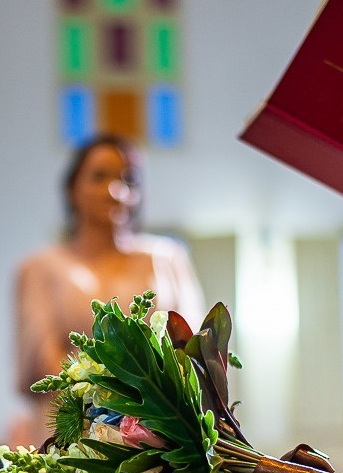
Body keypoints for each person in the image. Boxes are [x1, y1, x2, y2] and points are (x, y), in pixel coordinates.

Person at [14, 134, 205, 445]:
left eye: (128, 179)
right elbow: (43, 357)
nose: (116, 191)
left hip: (155, 430)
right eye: (99, 177)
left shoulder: (167, 258)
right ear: (72, 189)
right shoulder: (40, 267)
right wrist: (109, 409)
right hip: (73, 432)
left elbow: (192, 349)